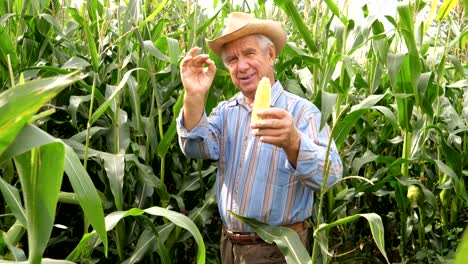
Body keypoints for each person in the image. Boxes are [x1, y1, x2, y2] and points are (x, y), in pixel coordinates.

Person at [177, 12, 343, 264]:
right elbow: (196, 148)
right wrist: (193, 96)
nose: (241, 65)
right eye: (232, 59)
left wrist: (294, 143)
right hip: (229, 247)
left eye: (249, 53)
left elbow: (331, 177)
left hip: (279, 249)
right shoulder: (225, 111)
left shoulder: (301, 112)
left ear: (271, 55)